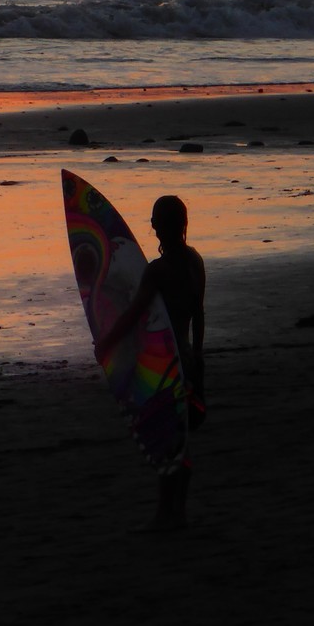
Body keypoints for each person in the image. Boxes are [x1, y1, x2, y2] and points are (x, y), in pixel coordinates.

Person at [95, 194, 206, 530]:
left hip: (164, 364)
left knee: (165, 441)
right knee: (180, 438)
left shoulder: (158, 271)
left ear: (167, 226)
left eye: (156, 219)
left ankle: (164, 514)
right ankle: (179, 513)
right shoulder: (195, 262)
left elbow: (133, 314)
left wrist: (107, 343)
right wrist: (199, 356)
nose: (152, 225)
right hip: (187, 358)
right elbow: (199, 313)